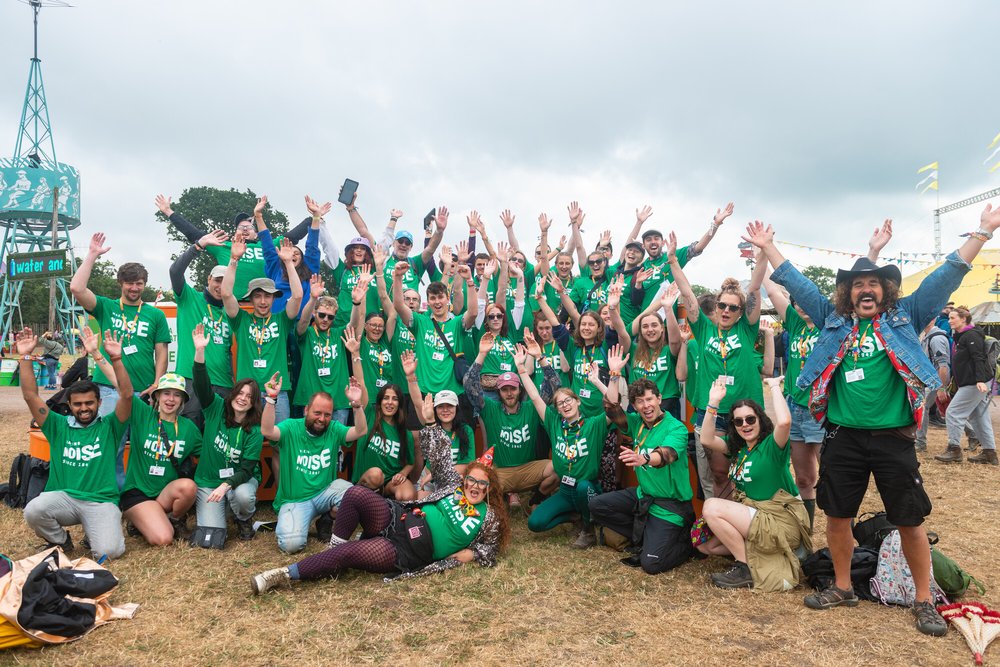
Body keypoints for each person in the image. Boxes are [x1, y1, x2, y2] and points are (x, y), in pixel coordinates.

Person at [746, 205, 1000, 636]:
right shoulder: (833, 321)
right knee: (838, 516)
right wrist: (769, 247)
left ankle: (924, 599)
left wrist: (983, 231)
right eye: (858, 284)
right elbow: (800, 285)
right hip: (842, 438)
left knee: (909, 520)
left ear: (886, 290)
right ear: (848, 293)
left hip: (893, 440)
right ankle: (843, 587)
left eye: (873, 284)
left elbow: (946, 277)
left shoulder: (907, 317)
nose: (866, 290)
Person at [249, 417, 509, 595]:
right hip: (399, 516)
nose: (474, 486)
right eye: (471, 480)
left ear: (489, 489)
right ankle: (332, 552)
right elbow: (439, 455)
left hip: (407, 550)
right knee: (354, 494)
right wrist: (430, 421)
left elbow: (491, 549)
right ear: (465, 481)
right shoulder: (452, 486)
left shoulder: (489, 517)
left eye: (482, 484)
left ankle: (283, 574)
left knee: (349, 554)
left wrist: (474, 554)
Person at [16, 327, 133, 560]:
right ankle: (61, 541)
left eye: (89, 403)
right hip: (64, 498)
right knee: (34, 510)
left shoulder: (110, 426)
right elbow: (31, 396)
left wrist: (116, 359)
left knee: (110, 552)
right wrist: (25, 356)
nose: (84, 408)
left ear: (99, 403)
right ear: (69, 405)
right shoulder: (57, 426)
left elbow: (127, 394)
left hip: (101, 500)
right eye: (78, 404)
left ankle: (94, 532)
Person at [70, 233, 171, 488]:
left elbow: (161, 351)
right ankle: (108, 496)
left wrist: (158, 382)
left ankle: (139, 498)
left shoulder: (154, 315)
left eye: (139, 283)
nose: (134, 288)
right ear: (120, 283)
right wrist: (92, 255)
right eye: (129, 283)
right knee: (110, 447)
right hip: (109, 389)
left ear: (144, 283)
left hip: (144, 393)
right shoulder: (106, 307)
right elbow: (77, 288)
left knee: (145, 449)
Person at [670, 231, 766, 499]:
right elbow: (687, 293)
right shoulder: (704, 330)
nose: (726, 310)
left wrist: (763, 253)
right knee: (714, 473)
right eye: (722, 305)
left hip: (744, 415)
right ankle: (716, 523)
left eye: (733, 308)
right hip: (710, 415)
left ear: (740, 312)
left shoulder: (747, 330)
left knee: (747, 472)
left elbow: (755, 288)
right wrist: (673, 262)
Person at [697, 377, 811, 590]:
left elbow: (785, 422)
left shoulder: (771, 447)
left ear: (760, 419)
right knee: (706, 546)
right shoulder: (739, 450)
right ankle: (767, 556)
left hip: (778, 520)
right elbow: (706, 439)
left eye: (750, 419)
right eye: (738, 421)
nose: (745, 425)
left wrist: (775, 386)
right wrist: (713, 403)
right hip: (757, 517)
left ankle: (745, 567)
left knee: (711, 506)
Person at [589, 376, 694, 574]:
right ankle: (648, 534)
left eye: (649, 399)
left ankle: (686, 544)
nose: (645, 406)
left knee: (651, 564)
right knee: (597, 505)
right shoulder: (636, 422)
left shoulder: (676, 427)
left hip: (670, 505)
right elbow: (611, 408)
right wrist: (613, 375)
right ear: (635, 405)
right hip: (643, 495)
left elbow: (668, 454)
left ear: (659, 399)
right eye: (639, 401)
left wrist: (644, 458)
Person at [517, 343, 617, 549]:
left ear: (578, 401)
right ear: (558, 410)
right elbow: (535, 397)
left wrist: (598, 381)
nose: (565, 405)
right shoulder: (554, 423)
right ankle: (575, 517)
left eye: (569, 400)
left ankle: (588, 530)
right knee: (535, 523)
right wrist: (521, 370)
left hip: (588, 488)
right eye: (560, 403)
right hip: (564, 490)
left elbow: (615, 406)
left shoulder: (594, 424)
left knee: (583, 487)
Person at [261, 372, 368, 554]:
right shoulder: (291, 427)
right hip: (295, 500)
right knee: (290, 545)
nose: (322, 419)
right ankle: (298, 522)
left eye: (327, 414)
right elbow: (267, 430)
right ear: (306, 410)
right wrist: (272, 399)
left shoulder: (333, 429)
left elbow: (360, 431)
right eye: (317, 413)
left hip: (325, 493)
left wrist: (356, 405)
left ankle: (327, 518)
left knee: (355, 495)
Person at [465, 332, 560, 502]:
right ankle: (501, 501)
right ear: (499, 392)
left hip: (528, 469)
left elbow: (554, 387)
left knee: (558, 466)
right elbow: (469, 385)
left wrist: (540, 357)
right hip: (500, 472)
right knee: (477, 478)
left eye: (513, 389)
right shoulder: (490, 408)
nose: (509, 393)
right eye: (504, 389)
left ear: (520, 390)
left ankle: (536, 500)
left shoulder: (531, 408)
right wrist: (482, 354)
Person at [221, 231, 303, 427]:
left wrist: (289, 263)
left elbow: (298, 296)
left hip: (277, 392)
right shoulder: (241, 320)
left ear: (274, 298)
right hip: (246, 392)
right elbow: (225, 294)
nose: (263, 301)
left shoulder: (282, 320)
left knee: (278, 445)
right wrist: (233, 260)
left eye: (268, 296)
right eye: (258, 296)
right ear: (250, 298)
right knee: (243, 442)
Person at [191, 324, 264, 542]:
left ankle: (243, 517)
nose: (243, 398)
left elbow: (246, 469)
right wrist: (200, 352)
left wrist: (226, 485)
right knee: (213, 535)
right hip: (208, 481)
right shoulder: (215, 408)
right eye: (240, 393)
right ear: (232, 394)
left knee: (242, 495)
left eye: (249, 396)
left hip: (238, 481)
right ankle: (225, 509)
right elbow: (202, 386)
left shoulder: (255, 430)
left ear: (253, 403)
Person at [764, 277, 824, 529]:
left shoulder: (827, 325)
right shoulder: (796, 326)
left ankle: (843, 532)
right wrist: (763, 254)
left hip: (821, 410)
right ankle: (807, 531)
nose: (800, 306)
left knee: (833, 480)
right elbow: (772, 289)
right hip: (794, 407)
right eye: (796, 301)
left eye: (805, 301)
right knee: (803, 478)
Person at [120, 373, 200, 546]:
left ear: (182, 400)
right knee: (163, 539)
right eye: (166, 393)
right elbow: (124, 389)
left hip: (165, 493)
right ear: (157, 395)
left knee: (188, 487)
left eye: (177, 395)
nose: (171, 399)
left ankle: (174, 519)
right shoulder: (143, 415)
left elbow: (207, 457)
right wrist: (101, 357)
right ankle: (139, 519)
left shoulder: (189, 428)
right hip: (138, 493)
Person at [168, 227, 234, 428]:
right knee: (189, 434)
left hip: (223, 384)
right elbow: (175, 271)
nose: (220, 286)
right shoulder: (190, 298)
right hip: (191, 381)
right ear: (208, 280)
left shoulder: (232, 312)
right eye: (217, 280)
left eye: (225, 282)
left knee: (218, 439)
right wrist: (197, 246)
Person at [293, 274, 367, 424]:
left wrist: (356, 303)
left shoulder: (338, 334)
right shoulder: (307, 333)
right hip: (311, 398)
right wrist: (313, 298)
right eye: (321, 315)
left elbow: (352, 324)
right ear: (315, 313)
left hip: (339, 399)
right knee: (310, 440)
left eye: (330, 317)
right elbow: (303, 322)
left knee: (336, 443)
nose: (326, 319)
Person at [934, 307, 998, 465]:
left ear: (963, 319)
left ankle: (954, 449)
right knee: (979, 416)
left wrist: (980, 380)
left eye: (953, 318)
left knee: (953, 412)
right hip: (971, 382)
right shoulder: (961, 336)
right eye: (949, 318)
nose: (949, 321)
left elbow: (978, 358)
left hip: (974, 383)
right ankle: (990, 454)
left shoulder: (971, 335)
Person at [402, 352, 476, 486]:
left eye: (450, 406)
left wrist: (435, 475)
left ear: (456, 409)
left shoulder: (466, 430)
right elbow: (418, 402)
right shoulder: (431, 424)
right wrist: (411, 376)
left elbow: (465, 466)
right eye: (441, 406)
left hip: (453, 478)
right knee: (420, 500)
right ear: (435, 409)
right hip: (429, 478)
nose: (446, 410)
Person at [351, 384, 417, 500]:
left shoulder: (405, 434)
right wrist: (356, 364)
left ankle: (393, 511)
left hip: (388, 484)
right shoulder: (369, 415)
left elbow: (410, 463)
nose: (390, 402)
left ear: (400, 404)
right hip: (365, 482)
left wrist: (402, 473)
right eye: (386, 398)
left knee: (408, 494)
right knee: (376, 474)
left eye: (395, 399)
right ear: (380, 401)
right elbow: (361, 381)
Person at [628, 285, 683, 420]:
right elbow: (626, 331)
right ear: (640, 331)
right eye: (645, 326)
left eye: (654, 325)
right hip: (639, 405)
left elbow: (675, 340)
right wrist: (657, 304)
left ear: (662, 329)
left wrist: (668, 309)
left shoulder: (669, 350)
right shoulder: (633, 349)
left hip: (666, 405)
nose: (650, 330)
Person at [915, 321, 951, 453]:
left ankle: (920, 442)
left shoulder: (936, 338)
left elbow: (943, 365)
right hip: (931, 380)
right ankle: (973, 435)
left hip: (936, 381)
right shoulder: (926, 336)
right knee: (953, 411)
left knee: (923, 407)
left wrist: (941, 387)